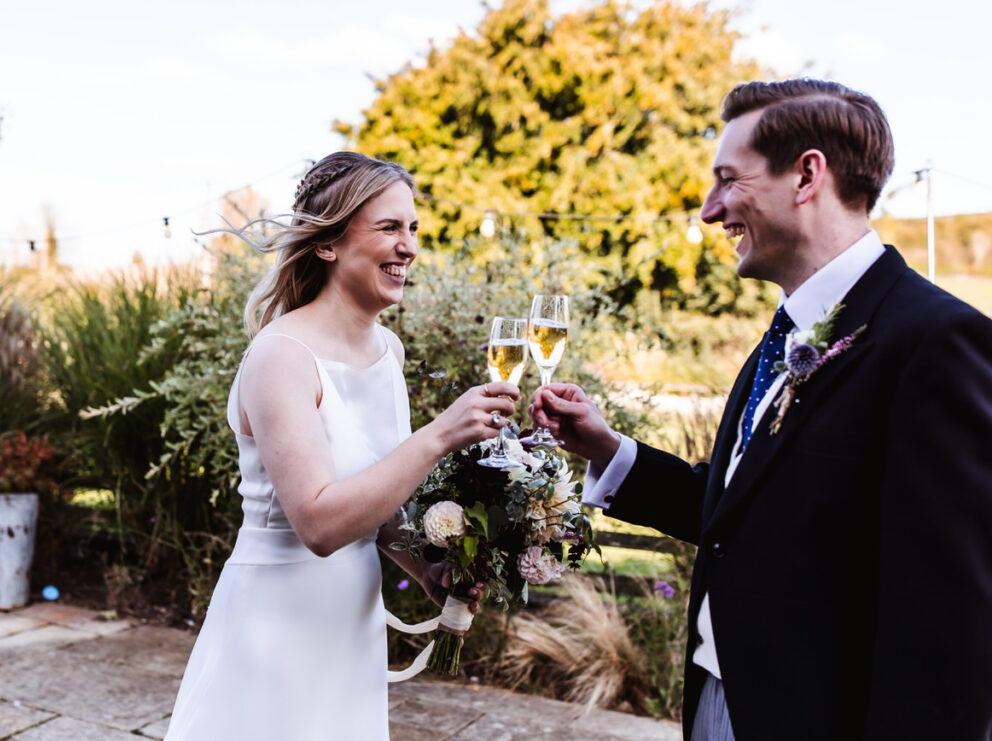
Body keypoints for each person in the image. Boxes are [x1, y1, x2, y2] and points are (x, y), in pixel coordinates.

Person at [531, 79, 992, 740]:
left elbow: (952, 635)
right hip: (721, 701)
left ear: (807, 175)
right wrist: (609, 449)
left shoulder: (934, 342)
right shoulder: (783, 337)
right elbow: (742, 518)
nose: (708, 210)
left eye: (727, 179)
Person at [164, 152, 519, 740]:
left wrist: (426, 566)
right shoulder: (282, 357)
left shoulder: (388, 353)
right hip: (275, 627)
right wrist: (440, 435)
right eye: (388, 228)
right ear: (328, 244)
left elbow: (376, 508)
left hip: (349, 628)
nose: (408, 246)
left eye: (412, 229)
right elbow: (321, 523)